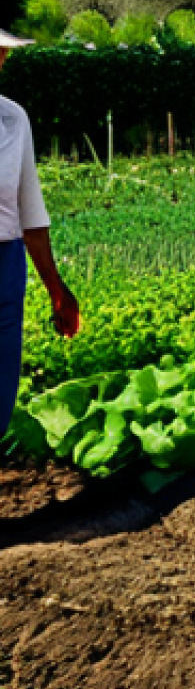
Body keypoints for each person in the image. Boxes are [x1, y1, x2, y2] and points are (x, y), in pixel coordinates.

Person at [1, 31, 80, 438]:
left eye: (0, 54)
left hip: (6, 267)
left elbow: (30, 215)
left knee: (0, 393)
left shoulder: (13, 120)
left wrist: (57, 290)